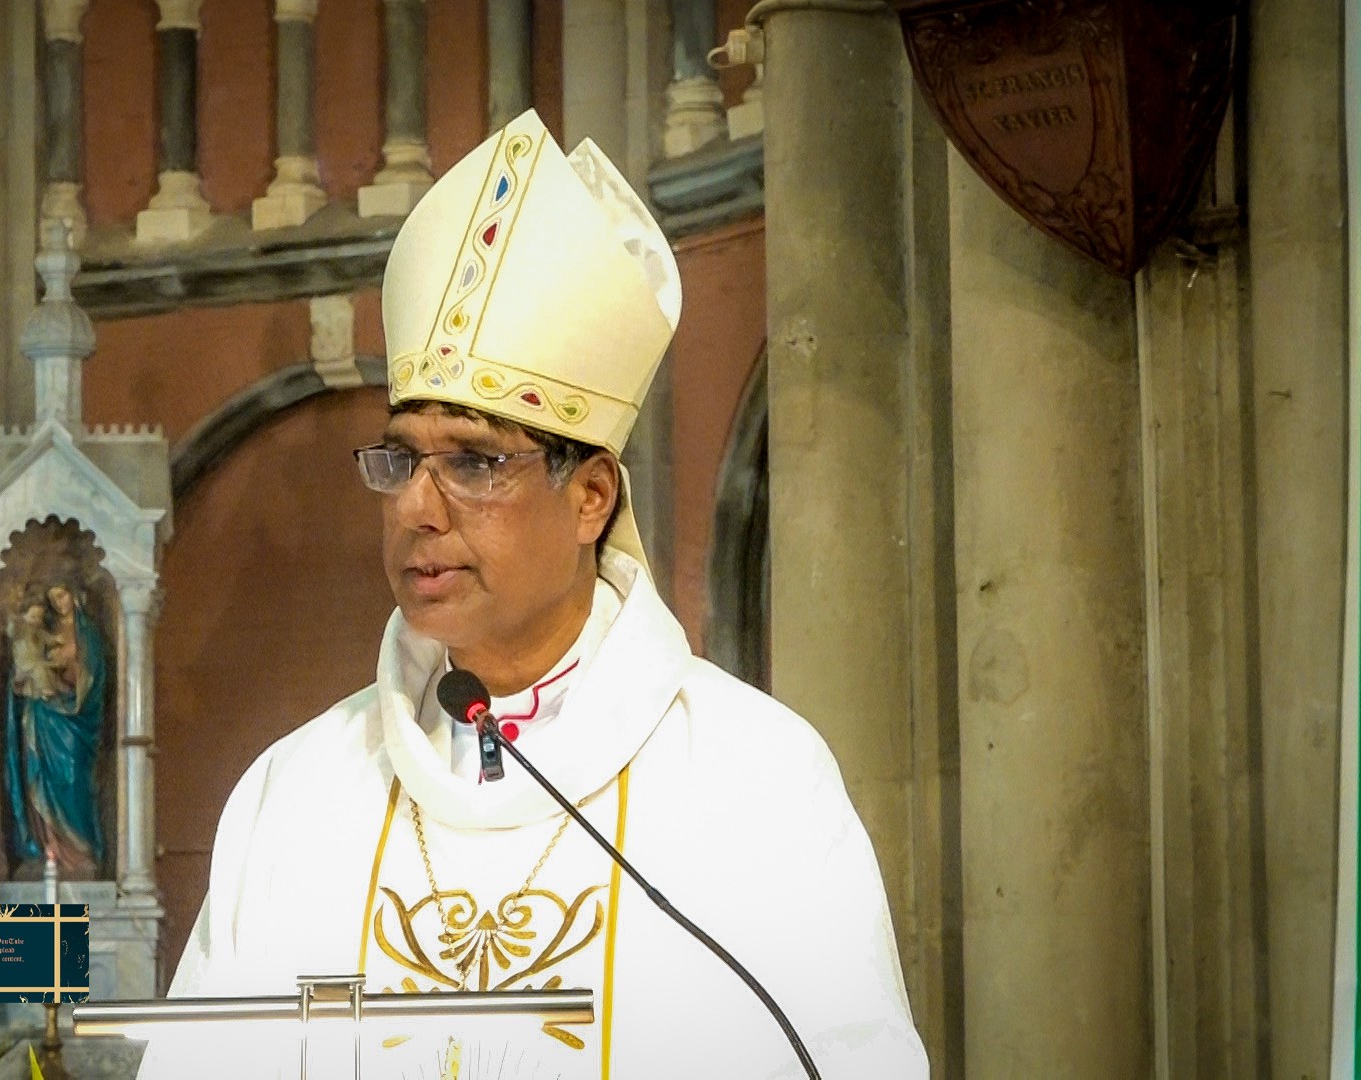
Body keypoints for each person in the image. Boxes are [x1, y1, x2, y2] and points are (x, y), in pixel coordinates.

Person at [139, 110, 928, 1078]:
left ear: (590, 496)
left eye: (474, 462)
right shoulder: (296, 796)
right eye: (401, 458)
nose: (417, 509)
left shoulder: (754, 782)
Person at [4, 580, 109, 877]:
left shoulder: (87, 633)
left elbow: (94, 673)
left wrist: (69, 674)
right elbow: (22, 667)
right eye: (54, 599)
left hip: (75, 718)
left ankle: (80, 852)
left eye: (62, 595)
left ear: (74, 595)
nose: (59, 603)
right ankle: (45, 847)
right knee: (39, 778)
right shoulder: (37, 633)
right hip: (42, 713)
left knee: (74, 778)